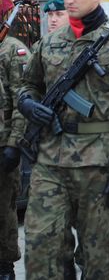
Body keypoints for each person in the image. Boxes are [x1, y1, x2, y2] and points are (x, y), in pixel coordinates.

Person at [16, 0, 109, 279]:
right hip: (51, 160)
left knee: (96, 256)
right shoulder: (49, 43)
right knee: (41, 246)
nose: (70, 0)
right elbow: (27, 86)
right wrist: (29, 104)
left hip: (100, 163)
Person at [0, 33, 30, 280]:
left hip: (3, 143)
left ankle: (5, 265)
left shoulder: (13, 50)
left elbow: (24, 99)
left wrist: (14, 143)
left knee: (3, 209)